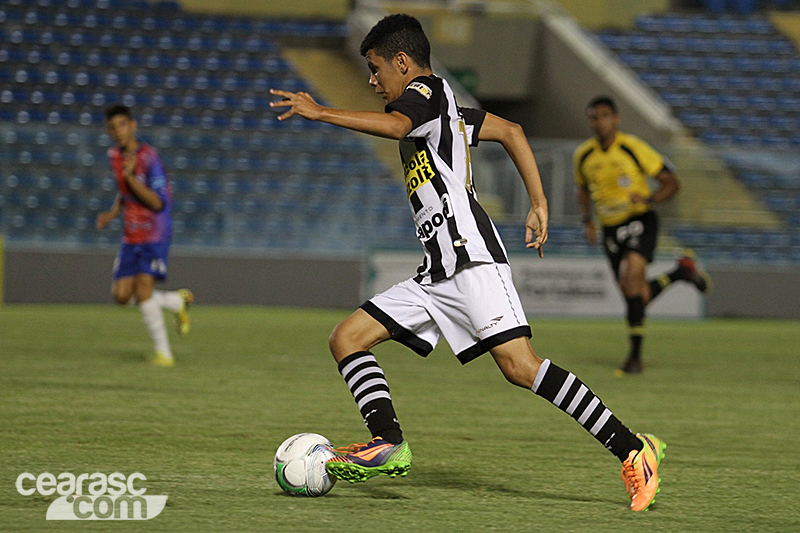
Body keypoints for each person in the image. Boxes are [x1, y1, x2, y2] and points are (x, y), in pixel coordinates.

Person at [271, 14, 664, 512]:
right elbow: (512, 131)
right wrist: (538, 202)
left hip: (472, 259)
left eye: (375, 68)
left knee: (521, 367)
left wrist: (320, 112)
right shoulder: (447, 109)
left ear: (402, 62)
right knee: (346, 338)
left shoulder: (426, 93)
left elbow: (397, 126)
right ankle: (387, 442)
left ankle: (633, 450)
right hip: (437, 269)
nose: (372, 80)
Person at [574, 96, 710, 375]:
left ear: (616, 119)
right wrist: (587, 221)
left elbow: (671, 182)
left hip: (639, 220)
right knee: (636, 295)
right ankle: (680, 272)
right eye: (594, 117)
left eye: (605, 116)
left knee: (632, 275)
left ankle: (635, 359)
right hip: (610, 229)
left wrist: (650, 199)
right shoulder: (584, 155)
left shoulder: (632, 147)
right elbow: (582, 189)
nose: (599, 122)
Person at [96, 104, 193, 368]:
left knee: (143, 290)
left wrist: (131, 178)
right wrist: (113, 211)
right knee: (121, 296)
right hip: (131, 233)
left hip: (154, 231)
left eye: (122, 125)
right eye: (113, 127)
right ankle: (176, 301)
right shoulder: (114, 155)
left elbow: (158, 203)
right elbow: (124, 191)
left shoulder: (150, 158)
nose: (118, 131)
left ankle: (164, 355)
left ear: (133, 125)